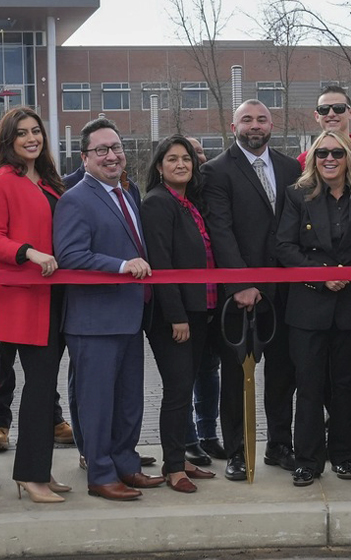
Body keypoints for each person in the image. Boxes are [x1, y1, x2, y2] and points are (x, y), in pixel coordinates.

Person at [54, 118, 162, 501]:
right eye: (101, 150)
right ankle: (100, 473)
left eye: (115, 148)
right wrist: (121, 266)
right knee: (97, 402)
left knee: (129, 400)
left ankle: (126, 465)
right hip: (94, 321)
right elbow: (69, 255)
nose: (111, 155)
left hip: (130, 317)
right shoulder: (76, 199)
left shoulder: (128, 194)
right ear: (84, 158)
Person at [202, 99, 303, 480]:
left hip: (286, 291)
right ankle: (238, 451)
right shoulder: (215, 171)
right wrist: (241, 283)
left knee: (283, 374)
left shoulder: (292, 167)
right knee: (235, 376)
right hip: (242, 296)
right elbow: (221, 231)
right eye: (247, 119)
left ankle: (280, 445)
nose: (255, 125)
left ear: (272, 124)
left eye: (262, 119)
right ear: (233, 126)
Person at [0, 106, 70, 503]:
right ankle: (31, 477)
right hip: (23, 297)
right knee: (38, 388)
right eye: (22, 133)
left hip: (55, 296)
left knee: (44, 386)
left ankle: (41, 472)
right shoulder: (2, 180)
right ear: (8, 140)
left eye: (36, 131)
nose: (31, 138)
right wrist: (29, 253)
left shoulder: (50, 180)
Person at [277, 130, 351, 487]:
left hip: (350, 304)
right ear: (313, 159)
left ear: (348, 157)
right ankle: (308, 461)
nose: (329, 159)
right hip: (308, 306)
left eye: (336, 153)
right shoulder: (296, 195)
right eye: (321, 154)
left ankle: (345, 457)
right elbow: (284, 247)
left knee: (346, 385)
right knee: (309, 386)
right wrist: (321, 276)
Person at [142, 134, 220, 493]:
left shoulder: (190, 203)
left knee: (186, 385)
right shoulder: (158, 203)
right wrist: (176, 317)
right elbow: (161, 262)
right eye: (172, 159)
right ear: (160, 167)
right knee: (176, 390)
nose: (181, 165)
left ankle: (182, 456)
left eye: (186, 159)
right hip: (174, 316)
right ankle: (173, 466)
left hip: (200, 309)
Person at [181, 135, 225, 465]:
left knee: (209, 373)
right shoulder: (168, 201)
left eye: (197, 152)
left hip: (214, 303)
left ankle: (208, 435)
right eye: (185, 154)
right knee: (184, 375)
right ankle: (187, 439)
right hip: (186, 305)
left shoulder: (211, 195)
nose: (194, 159)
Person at [296, 86, 351, 183]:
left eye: (338, 108)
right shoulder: (303, 161)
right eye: (324, 109)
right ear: (317, 116)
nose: (331, 114)